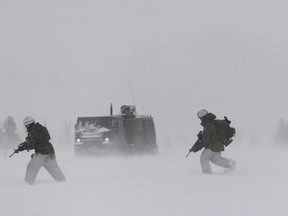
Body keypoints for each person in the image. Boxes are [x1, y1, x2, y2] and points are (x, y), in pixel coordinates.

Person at [16, 116, 66, 184]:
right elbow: (47, 138)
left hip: (42, 154)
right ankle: (63, 182)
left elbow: (31, 145)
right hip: (50, 152)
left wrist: (22, 148)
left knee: (31, 167)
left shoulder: (32, 131)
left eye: (26, 125)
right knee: (53, 167)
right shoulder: (42, 128)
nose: (26, 127)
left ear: (28, 124)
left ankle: (27, 184)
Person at [197, 109, 236, 174]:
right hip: (219, 144)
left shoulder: (208, 125)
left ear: (202, 117)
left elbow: (207, 140)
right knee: (215, 159)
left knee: (203, 158)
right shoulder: (214, 122)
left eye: (200, 118)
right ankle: (230, 164)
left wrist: (198, 146)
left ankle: (207, 175)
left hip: (213, 145)